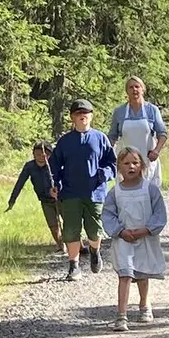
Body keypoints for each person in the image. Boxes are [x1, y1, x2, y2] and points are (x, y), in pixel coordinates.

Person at [49, 98, 117, 282]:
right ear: (72, 117)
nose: (82, 117)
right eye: (78, 114)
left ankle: (95, 251)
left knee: (95, 230)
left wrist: (106, 173)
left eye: (86, 113)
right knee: (71, 230)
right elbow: (54, 166)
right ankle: (74, 266)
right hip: (70, 193)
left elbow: (112, 162)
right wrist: (55, 184)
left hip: (95, 192)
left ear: (91, 116)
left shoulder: (100, 138)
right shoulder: (64, 142)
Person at [102, 146, 168, 332]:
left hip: (145, 237)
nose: (131, 166)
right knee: (125, 273)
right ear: (119, 167)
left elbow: (159, 213)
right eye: (126, 163)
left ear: (142, 166)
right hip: (123, 238)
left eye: (135, 162)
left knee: (142, 273)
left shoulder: (150, 189)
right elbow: (108, 215)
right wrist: (120, 231)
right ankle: (121, 315)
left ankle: (144, 305)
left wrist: (146, 230)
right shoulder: (115, 192)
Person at [107, 76, 169, 187]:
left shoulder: (152, 110)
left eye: (137, 86)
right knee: (126, 194)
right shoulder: (119, 112)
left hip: (147, 159)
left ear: (142, 89)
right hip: (126, 161)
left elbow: (162, 133)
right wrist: (106, 153)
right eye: (131, 87)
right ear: (127, 91)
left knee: (149, 193)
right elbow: (112, 136)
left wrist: (156, 151)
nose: (134, 90)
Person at [6, 143, 64, 252]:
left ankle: (73, 244)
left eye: (45, 154)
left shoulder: (55, 165)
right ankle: (60, 244)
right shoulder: (30, 167)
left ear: (50, 154)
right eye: (38, 154)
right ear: (33, 154)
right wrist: (12, 199)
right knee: (53, 225)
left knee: (69, 223)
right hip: (45, 201)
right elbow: (20, 182)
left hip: (62, 198)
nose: (41, 156)